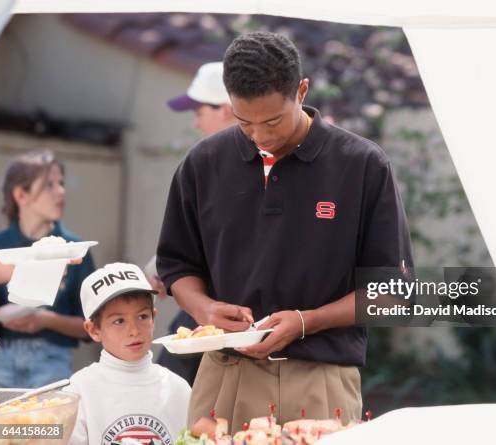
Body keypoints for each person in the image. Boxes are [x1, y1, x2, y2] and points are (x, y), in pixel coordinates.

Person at [156, 31, 414, 431]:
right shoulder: (202, 164)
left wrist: (307, 321)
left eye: (273, 120)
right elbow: (177, 266)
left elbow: (393, 293)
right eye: (245, 123)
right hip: (224, 378)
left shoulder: (361, 165)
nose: (261, 136)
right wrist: (204, 309)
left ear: (302, 90)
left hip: (322, 380)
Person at [149, 61, 236, 385]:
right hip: (205, 311)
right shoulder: (208, 163)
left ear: (226, 110)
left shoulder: (241, 164)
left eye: (199, 112)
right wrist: (162, 267)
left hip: (231, 320)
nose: (196, 123)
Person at [0, 149, 96, 388]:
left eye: (61, 183)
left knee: (48, 428)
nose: (61, 191)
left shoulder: (75, 249)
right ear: (21, 194)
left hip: (53, 362)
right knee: (1, 427)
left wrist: (46, 320)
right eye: (49, 185)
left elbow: (93, 325)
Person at [66, 262, 191, 445]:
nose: (134, 330)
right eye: (119, 321)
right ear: (93, 330)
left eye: (142, 317)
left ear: (153, 317)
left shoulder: (178, 388)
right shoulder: (78, 390)